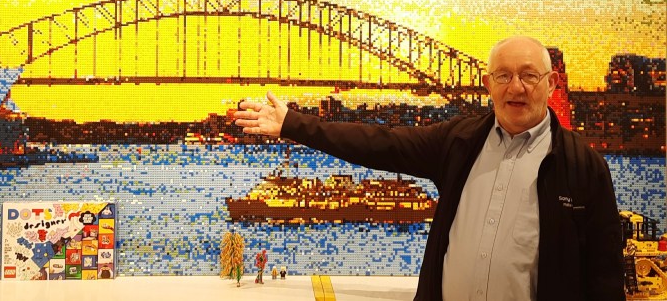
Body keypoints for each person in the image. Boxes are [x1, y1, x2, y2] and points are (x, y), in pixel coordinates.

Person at [234, 36, 625, 301]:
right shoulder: (459, 142)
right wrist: (292, 124)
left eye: (529, 75)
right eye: (503, 76)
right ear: (488, 83)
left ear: (552, 84)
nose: (516, 87)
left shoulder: (584, 167)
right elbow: (379, 142)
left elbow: (605, 279)